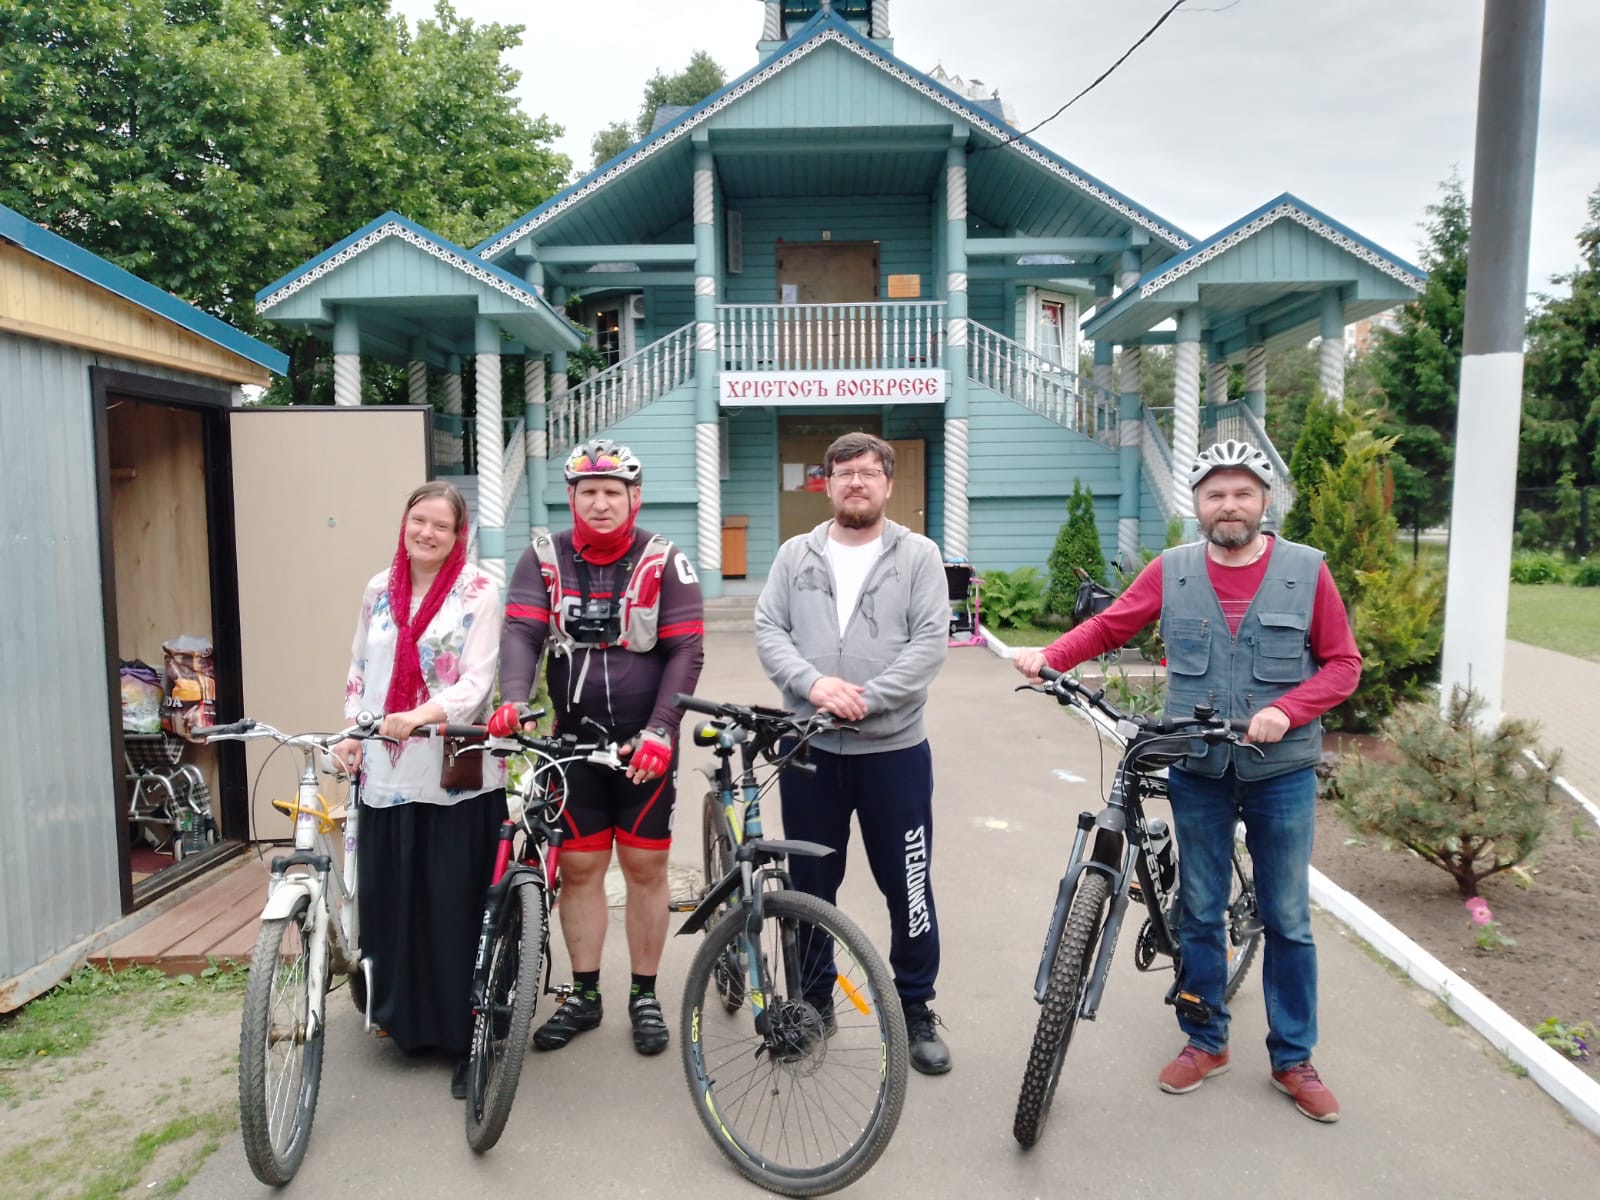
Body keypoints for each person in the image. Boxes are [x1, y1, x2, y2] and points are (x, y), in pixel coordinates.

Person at [1014, 440, 1362, 1123]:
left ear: (1265, 502)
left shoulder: (1306, 572)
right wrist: (1050, 657)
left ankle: (1294, 1058)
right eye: (1214, 493)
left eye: (1241, 492)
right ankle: (1206, 1040)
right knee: (1199, 910)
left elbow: (1343, 665)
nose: (1228, 505)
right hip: (1198, 767)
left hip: (1280, 772)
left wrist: (1284, 710)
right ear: (1197, 504)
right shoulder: (1171, 571)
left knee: (1287, 917)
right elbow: (1114, 624)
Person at [493, 438, 704, 1056]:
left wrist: (663, 730)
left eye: (614, 492)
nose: (602, 503)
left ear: (634, 498)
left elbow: (686, 650)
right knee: (581, 870)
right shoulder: (542, 557)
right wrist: (512, 698)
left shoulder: (666, 560)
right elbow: (522, 633)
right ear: (573, 498)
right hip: (572, 742)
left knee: (645, 867)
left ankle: (644, 993)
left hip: (646, 744)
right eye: (590, 492)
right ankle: (584, 995)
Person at [754, 431, 954, 1075]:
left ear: (888, 484)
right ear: (828, 482)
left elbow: (930, 642)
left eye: (869, 472)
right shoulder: (795, 554)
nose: (856, 483)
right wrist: (813, 686)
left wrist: (866, 699)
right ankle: (814, 1004)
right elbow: (768, 629)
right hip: (809, 750)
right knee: (812, 885)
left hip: (893, 752)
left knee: (909, 886)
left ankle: (915, 1007)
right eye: (844, 473)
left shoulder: (918, 554)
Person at [331, 481, 507, 1100]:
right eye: (418, 521)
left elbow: (478, 683)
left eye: (442, 525)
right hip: (383, 765)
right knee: (395, 895)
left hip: (450, 769)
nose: (427, 533)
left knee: (452, 904)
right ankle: (405, 1022)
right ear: (404, 522)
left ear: (460, 534)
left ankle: (467, 1034)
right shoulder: (379, 588)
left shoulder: (480, 591)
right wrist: (353, 730)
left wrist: (422, 714)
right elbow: (359, 667)